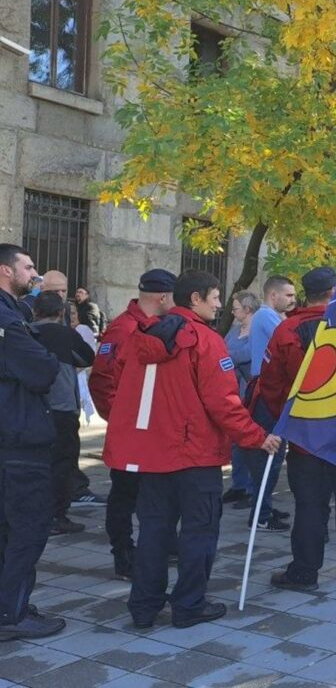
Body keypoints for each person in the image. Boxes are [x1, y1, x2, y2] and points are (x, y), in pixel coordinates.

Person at [104, 271, 281, 629]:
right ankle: (188, 605)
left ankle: (143, 606)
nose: (220, 305)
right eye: (215, 297)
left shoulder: (140, 336)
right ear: (195, 299)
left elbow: (120, 387)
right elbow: (224, 402)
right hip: (195, 456)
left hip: (152, 456)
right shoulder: (205, 340)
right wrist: (255, 436)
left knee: (154, 532)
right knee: (199, 532)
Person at [264, 268, 336, 591]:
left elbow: (271, 385)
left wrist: (288, 420)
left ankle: (304, 571)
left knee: (309, 505)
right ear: (333, 293)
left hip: (306, 435)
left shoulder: (287, 330)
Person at [0, 244, 69, 642]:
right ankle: (12, 611)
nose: (35, 273)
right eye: (28, 267)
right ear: (6, 271)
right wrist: (42, 351)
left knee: (11, 530)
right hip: (17, 442)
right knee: (27, 529)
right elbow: (43, 369)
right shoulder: (6, 320)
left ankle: (11, 603)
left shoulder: (15, 315)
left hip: (14, 436)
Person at [89, 268, 176, 581]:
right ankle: (123, 555)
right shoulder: (124, 329)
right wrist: (122, 419)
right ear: (163, 296)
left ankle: (162, 545)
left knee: (158, 493)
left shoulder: (162, 325)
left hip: (155, 433)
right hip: (131, 434)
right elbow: (101, 380)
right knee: (125, 496)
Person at [31, 293, 95, 536]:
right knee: (63, 462)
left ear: (35, 311)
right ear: (61, 314)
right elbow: (87, 357)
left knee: (38, 462)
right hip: (63, 407)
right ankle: (58, 515)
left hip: (34, 407)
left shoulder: (25, 332)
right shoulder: (66, 334)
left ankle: (36, 511)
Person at [237, 275, 297, 520]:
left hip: (269, 390)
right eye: (289, 295)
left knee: (274, 452)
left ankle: (264, 507)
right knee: (270, 452)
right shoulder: (267, 316)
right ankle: (260, 514)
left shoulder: (268, 317)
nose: (293, 300)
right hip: (266, 392)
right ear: (274, 295)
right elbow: (292, 341)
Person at [221, 291, 260, 507]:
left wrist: (228, 358)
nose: (233, 312)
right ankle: (239, 485)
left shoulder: (258, 330)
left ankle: (253, 490)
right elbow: (223, 351)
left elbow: (249, 354)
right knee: (236, 441)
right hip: (234, 391)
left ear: (247, 309)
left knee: (253, 441)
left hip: (251, 392)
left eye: (235, 308)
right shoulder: (235, 331)